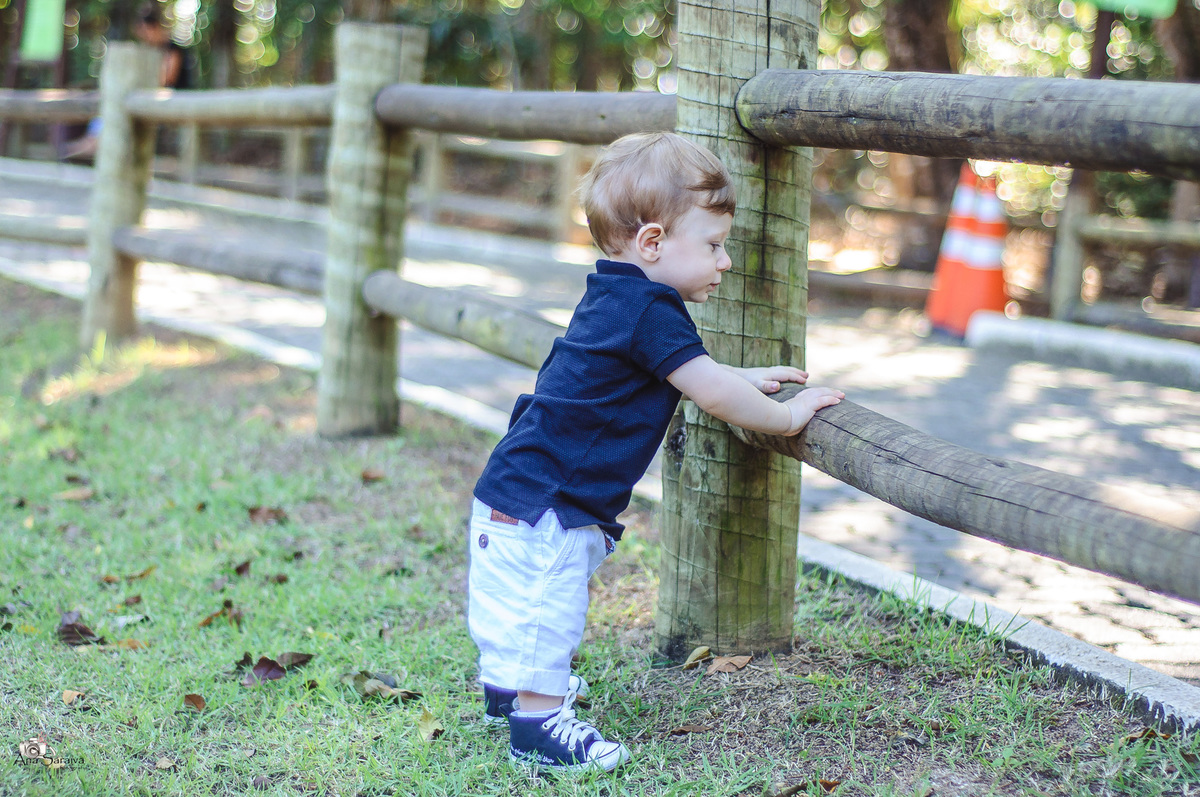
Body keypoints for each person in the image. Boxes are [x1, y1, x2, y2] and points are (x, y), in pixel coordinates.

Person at [467, 131, 845, 774]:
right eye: (714, 246)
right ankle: (537, 726)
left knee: (522, 603)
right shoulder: (654, 309)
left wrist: (742, 376)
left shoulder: (616, 294)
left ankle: (510, 690)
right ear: (652, 243)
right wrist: (785, 417)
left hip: (521, 489)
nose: (724, 262)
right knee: (545, 609)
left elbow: (686, 372)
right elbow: (709, 392)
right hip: (550, 506)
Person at [65, 5, 191, 159]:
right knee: (112, 102)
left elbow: (167, 79)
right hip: (145, 96)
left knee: (119, 103)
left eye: (145, 32)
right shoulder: (151, 50)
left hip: (170, 98)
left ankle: (92, 145)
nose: (144, 38)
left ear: (153, 28)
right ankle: (92, 142)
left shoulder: (173, 49)